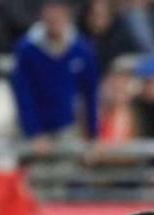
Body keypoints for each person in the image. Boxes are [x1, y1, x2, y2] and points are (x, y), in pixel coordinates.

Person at [11, 0, 99, 148]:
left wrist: (93, 134)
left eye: (59, 15)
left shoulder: (82, 48)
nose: (55, 19)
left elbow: (90, 93)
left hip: (68, 128)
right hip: (35, 131)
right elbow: (23, 93)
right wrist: (34, 132)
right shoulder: (26, 49)